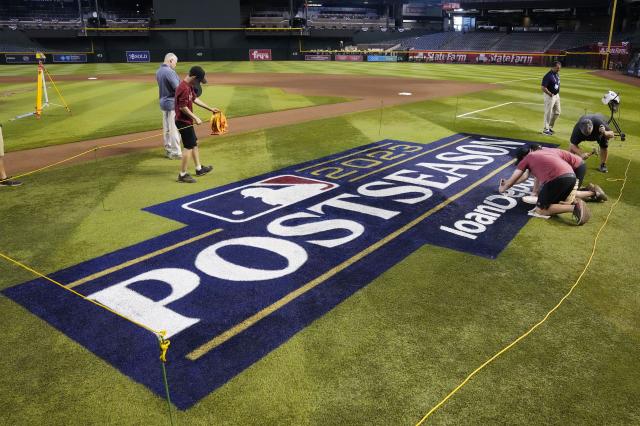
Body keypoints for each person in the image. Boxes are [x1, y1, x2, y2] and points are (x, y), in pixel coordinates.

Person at [499, 145, 590, 225]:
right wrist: (535, 191)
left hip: (559, 178)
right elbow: (527, 176)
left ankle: (575, 208)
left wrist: (502, 188)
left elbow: (513, 181)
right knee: (557, 202)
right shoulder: (545, 152)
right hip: (571, 175)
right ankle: (590, 194)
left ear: (523, 157)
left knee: (540, 210)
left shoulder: (526, 159)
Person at [516, 144, 607, 202]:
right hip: (573, 166)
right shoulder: (538, 152)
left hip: (576, 167)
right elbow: (531, 175)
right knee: (560, 191)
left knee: (565, 197)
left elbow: (533, 175)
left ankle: (594, 193)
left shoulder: (536, 157)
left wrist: (535, 192)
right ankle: (587, 189)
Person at [174, 66, 219, 183]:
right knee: (188, 147)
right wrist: (195, 118)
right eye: (198, 80)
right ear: (193, 77)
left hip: (186, 121)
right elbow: (182, 107)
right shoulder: (183, 88)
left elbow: (194, 99)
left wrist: (210, 108)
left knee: (194, 143)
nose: (198, 83)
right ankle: (182, 175)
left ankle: (199, 169)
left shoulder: (189, 86)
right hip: (182, 121)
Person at [156, 53, 182, 159]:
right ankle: (176, 152)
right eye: (175, 62)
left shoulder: (158, 71)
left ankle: (168, 149)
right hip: (172, 104)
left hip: (163, 103)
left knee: (166, 128)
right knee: (174, 129)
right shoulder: (170, 72)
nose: (175, 65)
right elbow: (178, 89)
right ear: (170, 60)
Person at [541, 61, 561, 136]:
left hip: (556, 96)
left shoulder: (556, 74)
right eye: (557, 68)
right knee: (548, 112)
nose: (559, 69)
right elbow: (543, 87)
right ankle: (546, 129)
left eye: (559, 68)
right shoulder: (548, 76)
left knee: (557, 112)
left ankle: (549, 127)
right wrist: (550, 94)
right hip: (549, 96)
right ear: (553, 67)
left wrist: (556, 94)